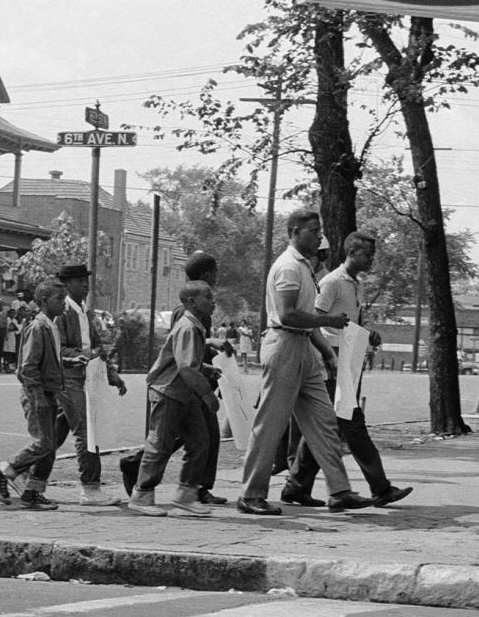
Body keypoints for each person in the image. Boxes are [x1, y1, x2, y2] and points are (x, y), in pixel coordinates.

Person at [235, 209, 375, 516]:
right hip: (284, 344)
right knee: (270, 424)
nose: (318, 236)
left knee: (325, 421)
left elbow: (307, 324)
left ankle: (339, 491)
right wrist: (330, 320)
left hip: (304, 347)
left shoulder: (306, 270)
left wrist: (326, 353)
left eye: (319, 230)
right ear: (294, 232)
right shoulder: (288, 267)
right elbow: (288, 315)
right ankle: (251, 493)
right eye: (312, 231)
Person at [280, 232, 414, 508]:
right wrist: (325, 355)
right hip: (330, 361)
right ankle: (380, 487)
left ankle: (296, 485)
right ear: (351, 252)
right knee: (352, 425)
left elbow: (346, 323)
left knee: (328, 426)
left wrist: (367, 334)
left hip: (347, 360)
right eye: (367, 254)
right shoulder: (331, 283)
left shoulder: (355, 284)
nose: (371, 260)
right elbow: (314, 320)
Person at [120, 250, 229, 506]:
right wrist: (206, 393)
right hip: (170, 390)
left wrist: (205, 368)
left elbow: (189, 361)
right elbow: (185, 367)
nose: (214, 302)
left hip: (185, 391)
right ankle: (142, 495)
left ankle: (187, 494)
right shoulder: (188, 321)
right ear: (192, 301)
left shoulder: (197, 322)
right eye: (209, 297)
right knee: (161, 442)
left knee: (200, 440)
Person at [52, 263, 127, 506]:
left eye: (85, 279)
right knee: (86, 431)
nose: (85, 284)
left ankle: (16, 470)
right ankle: (90, 488)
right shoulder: (61, 313)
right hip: (68, 378)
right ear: (66, 285)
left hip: (84, 379)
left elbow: (98, 348)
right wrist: (83, 354)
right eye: (78, 280)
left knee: (55, 433)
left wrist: (112, 375)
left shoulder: (85, 311)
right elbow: (58, 349)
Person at [0, 278, 66, 511]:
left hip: (50, 393)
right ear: (43, 301)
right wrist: (38, 395)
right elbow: (27, 367)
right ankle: (4, 470)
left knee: (49, 447)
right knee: (43, 443)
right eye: (58, 299)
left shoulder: (52, 326)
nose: (63, 303)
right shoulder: (38, 327)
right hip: (37, 394)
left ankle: (33, 492)